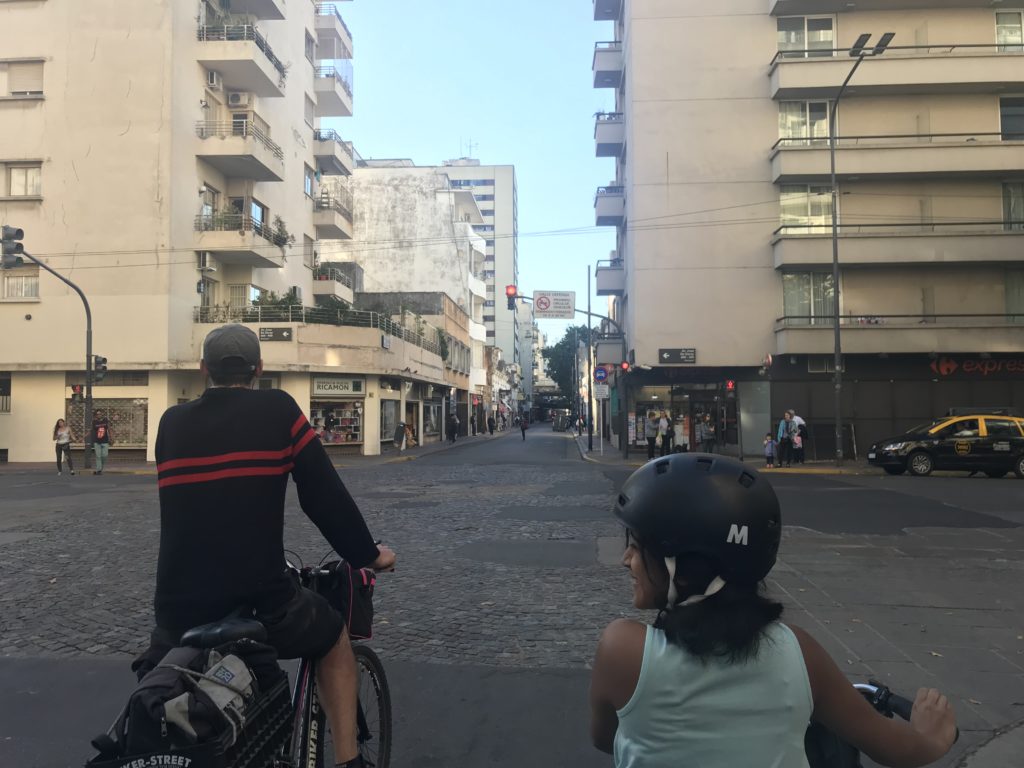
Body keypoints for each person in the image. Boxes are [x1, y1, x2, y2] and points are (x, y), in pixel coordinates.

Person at [589, 454, 957, 768]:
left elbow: (606, 738)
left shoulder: (623, 649)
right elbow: (898, 748)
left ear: (683, 569)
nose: (626, 559)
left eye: (637, 547)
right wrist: (930, 735)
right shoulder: (797, 652)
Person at [140, 324, 396, 768]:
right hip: (260, 601)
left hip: (177, 611)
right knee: (333, 635)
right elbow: (323, 496)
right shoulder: (279, 411)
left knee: (161, 696)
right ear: (260, 369)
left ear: (204, 370)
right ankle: (348, 760)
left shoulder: (171, 424)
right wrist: (367, 555)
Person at [91, 410, 112, 475]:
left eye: (100, 414)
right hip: (97, 441)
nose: (99, 415)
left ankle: (100, 468)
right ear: (96, 415)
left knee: (105, 455)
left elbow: (109, 429)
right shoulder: (94, 422)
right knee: (98, 456)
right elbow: (91, 430)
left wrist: (111, 438)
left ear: (102, 414)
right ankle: (98, 470)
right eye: (97, 414)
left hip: (105, 441)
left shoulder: (106, 420)